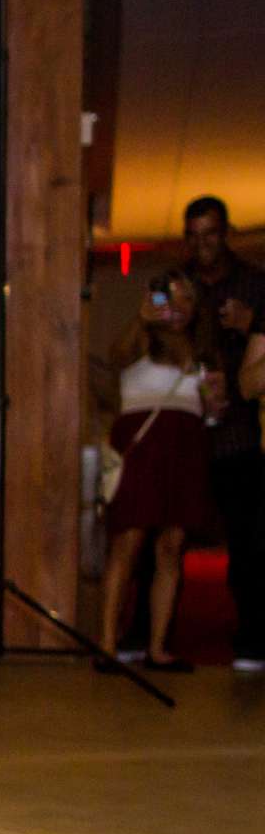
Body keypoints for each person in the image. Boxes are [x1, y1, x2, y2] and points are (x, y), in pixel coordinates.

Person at [96, 273, 212, 671]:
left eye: (185, 300)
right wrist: (143, 319)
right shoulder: (141, 337)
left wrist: (216, 401)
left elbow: (213, 407)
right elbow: (115, 357)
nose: (175, 309)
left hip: (186, 443)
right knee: (128, 541)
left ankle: (158, 648)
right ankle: (108, 645)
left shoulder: (203, 348)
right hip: (142, 444)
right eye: (169, 300)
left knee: (171, 546)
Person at [181, 196, 265, 672]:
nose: (202, 245)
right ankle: (148, 637)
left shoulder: (255, 283)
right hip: (186, 427)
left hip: (239, 431)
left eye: (210, 234)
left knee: (247, 540)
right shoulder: (178, 284)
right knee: (166, 537)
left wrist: (249, 323)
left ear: (226, 232)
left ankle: (252, 638)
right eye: (193, 235)